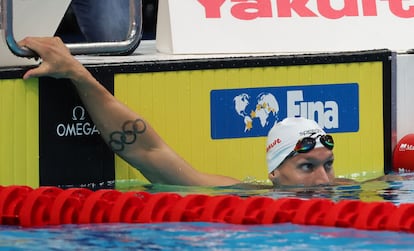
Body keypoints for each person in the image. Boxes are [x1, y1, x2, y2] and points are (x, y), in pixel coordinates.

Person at [19, 37, 357, 188]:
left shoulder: (352, 192)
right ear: (273, 172)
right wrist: (77, 73)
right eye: (307, 167)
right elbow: (146, 151)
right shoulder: (239, 198)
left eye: (328, 165)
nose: (324, 181)